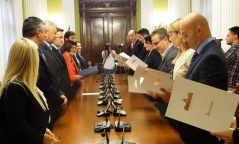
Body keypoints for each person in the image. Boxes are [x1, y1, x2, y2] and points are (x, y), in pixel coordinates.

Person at [157, 13, 228, 144]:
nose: (184, 40)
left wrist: (173, 98)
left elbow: (206, 103)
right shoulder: (203, 53)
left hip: (201, 135)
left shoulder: (212, 56)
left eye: (185, 35)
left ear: (199, 30)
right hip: (191, 128)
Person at [0, 40, 55, 144]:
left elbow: (31, 118)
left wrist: (43, 129)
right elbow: (18, 128)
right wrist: (40, 137)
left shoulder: (26, 83)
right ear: (29, 61)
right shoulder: (14, 87)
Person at [38, 20, 68, 129]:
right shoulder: (40, 49)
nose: (56, 36)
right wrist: (58, 98)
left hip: (58, 96)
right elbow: (46, 79)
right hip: (51, 100)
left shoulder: (49, 48)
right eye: (54, 33)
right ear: (45, 32)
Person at [150, 27, 178, 115]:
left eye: (156, 43)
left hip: (168, 106)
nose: (154, 47)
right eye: (153, 44)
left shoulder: (172, 55)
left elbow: (170, 83)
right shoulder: (168, 54)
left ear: (165, 39)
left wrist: (157, 93)